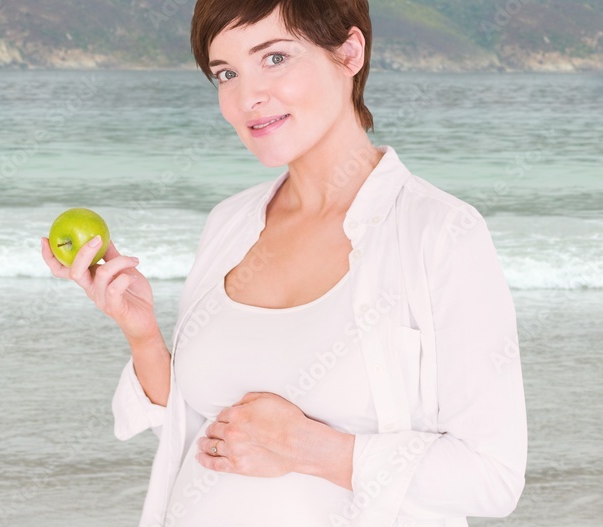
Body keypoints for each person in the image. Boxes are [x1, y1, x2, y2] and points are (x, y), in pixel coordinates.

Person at [40, 0, 527, 525]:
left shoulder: (440, 233)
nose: (248, 97)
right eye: (226, 73)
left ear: (349, 51)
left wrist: (308, 448)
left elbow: (492, 479)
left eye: (274, 58)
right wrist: (142, 335)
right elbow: (207, 434)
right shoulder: (229, 223)